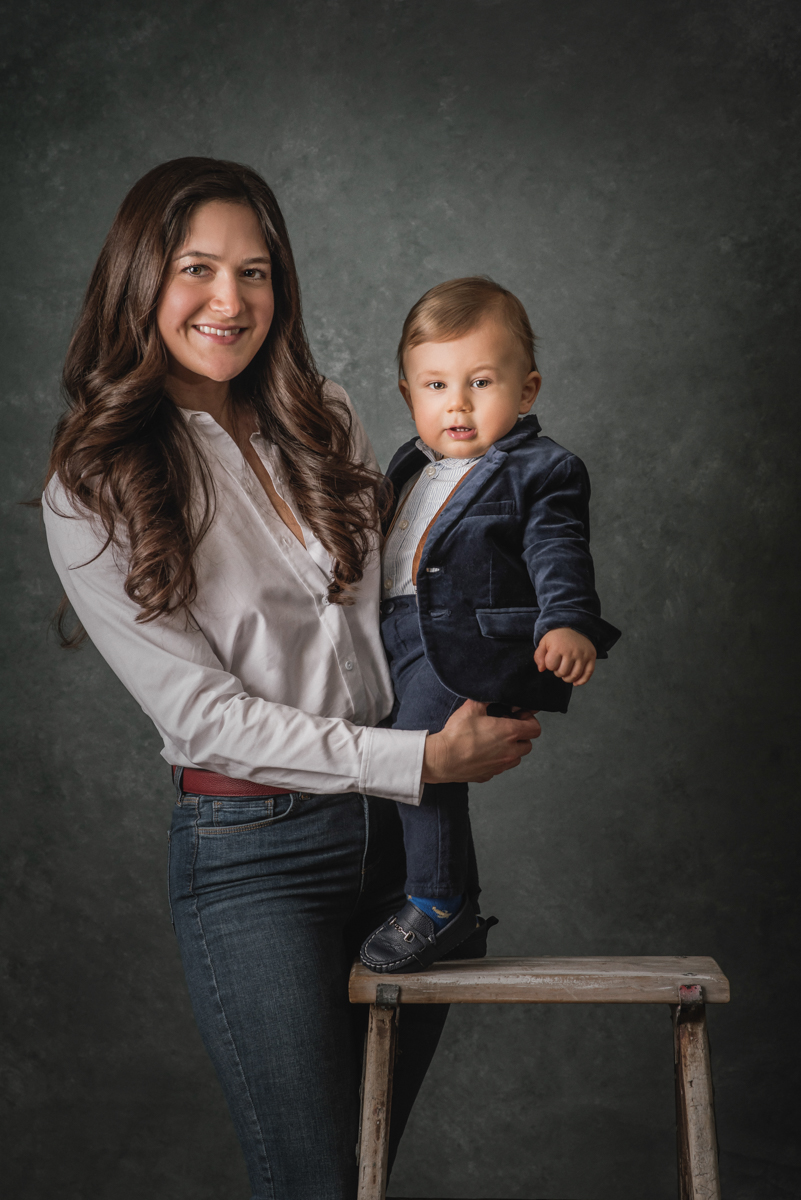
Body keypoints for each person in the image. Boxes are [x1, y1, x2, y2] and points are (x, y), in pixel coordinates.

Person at [42, 160, 542, 1200]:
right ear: (141, 278)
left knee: (356, 1179)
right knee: (315, 1184)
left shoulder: (324, 414)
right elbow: (202, 715)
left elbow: (396, 606)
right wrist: (420, 755)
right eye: (198, 269)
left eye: (256, 271)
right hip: (252, 858)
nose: (232, 302)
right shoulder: (90, 483)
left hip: (409, 841)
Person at [359, 278, 620, 974]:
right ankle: (429, 890)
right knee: (398, 755)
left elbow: (557, 550)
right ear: (408, 395)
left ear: (526, 390)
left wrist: (569, 623)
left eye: (480, 381)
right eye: (436, 386)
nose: (458, 404)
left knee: (420, 755)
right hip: (400, 638)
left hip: (477, 644)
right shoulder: (411, 463)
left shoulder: (542, 469)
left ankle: (439, 902)